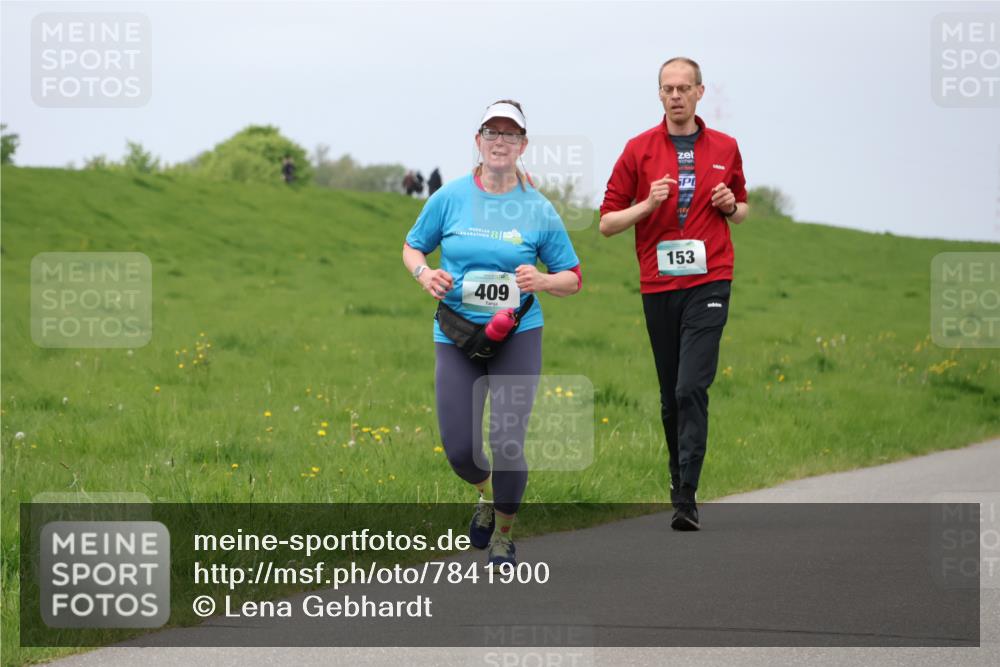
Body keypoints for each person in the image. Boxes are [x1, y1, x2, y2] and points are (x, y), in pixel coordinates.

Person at [402, 100, 582, 565]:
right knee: (460, 450)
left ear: (523, 144)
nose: (500, 140)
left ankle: (503, 534)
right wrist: (425, 275)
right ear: (478, 140)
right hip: (456, 333)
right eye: (492, 131)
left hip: (517, 335)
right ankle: (486, 494)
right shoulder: (449, 197)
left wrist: (542, 280)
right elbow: (412, 247)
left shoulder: (538, 208)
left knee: (506, 441)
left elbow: (572, 278)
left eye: (510, 133)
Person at [599, 57, 748, 531]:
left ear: (701, 92)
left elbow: (742, 207)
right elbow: (607, 223)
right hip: (659, 283)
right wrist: (647, 204)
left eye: (685, 87)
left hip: (710, 279)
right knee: (670, 395)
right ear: (660, 94)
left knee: (690, 387)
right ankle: (676, 477)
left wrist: (731, 205)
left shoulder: (726, 147)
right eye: (669, 88)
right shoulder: (638, 149)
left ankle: (687, 494)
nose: (676, 95)